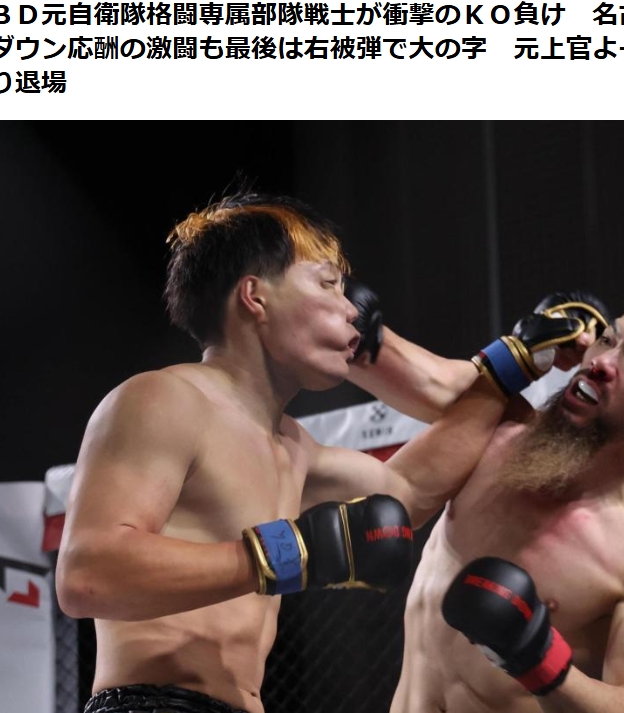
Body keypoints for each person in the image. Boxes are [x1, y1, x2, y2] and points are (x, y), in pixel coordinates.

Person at [55, 192, 586, 713]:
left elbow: (407, 491)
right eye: (328, 283)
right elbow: (87, 575)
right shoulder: (163, 399)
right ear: (255, 296)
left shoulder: (294, 448)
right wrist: (286, 552)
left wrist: (511, 367)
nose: (351, 309)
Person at [348, 291, 624, 713]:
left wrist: (538, 659)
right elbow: (394, 361)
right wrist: (335, 308)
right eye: (608, 339)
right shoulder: (499, 432)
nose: (602, 363)